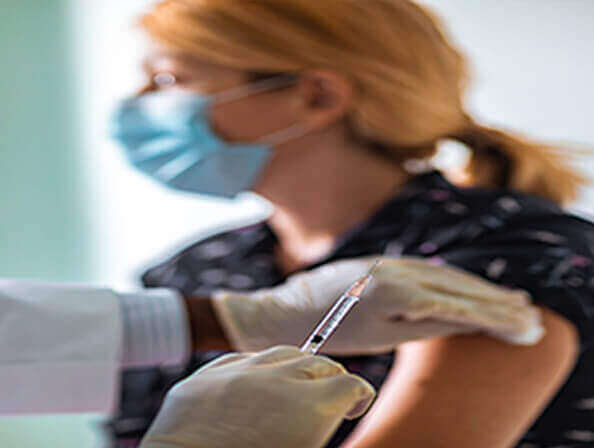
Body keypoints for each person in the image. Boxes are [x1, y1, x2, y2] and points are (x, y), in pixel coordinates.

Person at [105, 0, 593, 447]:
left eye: (169, 80)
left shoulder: (504, 252)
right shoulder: (190, 273)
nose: (138, 102)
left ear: (317, 96)